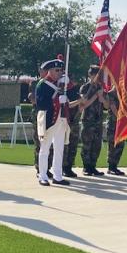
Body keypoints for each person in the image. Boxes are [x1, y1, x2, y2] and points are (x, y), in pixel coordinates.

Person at [36, 58, 71, 186]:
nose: (59, 73)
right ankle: (43, 176)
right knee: (45, 148)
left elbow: (73, 93)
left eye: (61, 70)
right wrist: (57, 101)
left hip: (61, 120)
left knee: (59, 148)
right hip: (49, 119)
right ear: (49, 71)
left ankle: (58, 175)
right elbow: (41, 103)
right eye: (57, 70)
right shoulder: (43, 84)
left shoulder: (62, 84)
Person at [80, 65, 108, 176]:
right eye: (95, 75)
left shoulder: (101, 88)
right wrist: (96, 96)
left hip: (98, 120)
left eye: (98, 75)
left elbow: (106, 106)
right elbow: (83, 105)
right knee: (87, 145)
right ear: (90, 75)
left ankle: (93, 166)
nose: (97, 77)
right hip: (88, 120)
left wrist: (102, 99)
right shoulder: (85, 88)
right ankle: (86, 167)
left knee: (97, 145)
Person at [29, 67, 53, 179]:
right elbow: (32, 97)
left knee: (50, 145)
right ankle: (39, 168)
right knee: (40, 143)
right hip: (39, 115)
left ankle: (47, 168)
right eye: (43, 70)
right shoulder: (36, 83)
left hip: (50, 116)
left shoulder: (52, 83)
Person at [62, 75, 81, 178]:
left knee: (73, 146)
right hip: (66, 121)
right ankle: (63, 167)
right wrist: (79, 101)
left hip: (75, 121)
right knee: (65, 146)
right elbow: (68, 105)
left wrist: (80, 103)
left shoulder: (75, 91)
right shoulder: (65, 91)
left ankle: (69, 167)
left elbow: (80, 104)